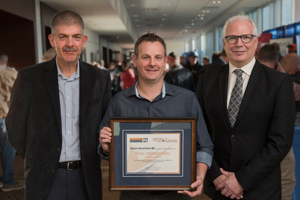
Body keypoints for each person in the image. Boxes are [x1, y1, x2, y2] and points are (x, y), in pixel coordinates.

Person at [6, 10, 111, 200]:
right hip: (43, 177)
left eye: (76, 37)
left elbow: (105, 124)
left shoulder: (100, 79)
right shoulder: (29, 78)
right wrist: (39, 157)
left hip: (86, 177)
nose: (70, 44)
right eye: (63, 37)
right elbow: (14, 128)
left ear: (84, 41)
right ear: (52, 40)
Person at [98, 32, 214, 200]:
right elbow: (104, 149)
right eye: (146, 57)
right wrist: (107, 147)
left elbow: (205, 146)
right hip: (133, 195)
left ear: (165, 61)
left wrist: (200, 176)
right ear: (135, 60)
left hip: (178, 195)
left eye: (158, 57)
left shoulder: (187, 100)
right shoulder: (118, 102)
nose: (152, 63)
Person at [196, 15, 295, 200]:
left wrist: (241, 180)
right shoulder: (207, 80)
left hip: (261, 189)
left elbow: (280, 141)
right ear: (224, 43)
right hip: (218, 189)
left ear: (256, 41)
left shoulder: (278, 83)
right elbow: (200, 133)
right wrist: (215, 175)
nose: (238, 43)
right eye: (232, 38)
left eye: (246, 37)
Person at [257, 44, 297, 200]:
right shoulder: (281, 81)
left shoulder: (249, 77)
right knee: (286, 177)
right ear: (277, 61)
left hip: (253, 139)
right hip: (278, 139)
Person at [0, 52, 23, 192]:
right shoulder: (11, 74)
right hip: (6, 116)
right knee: (8, 150)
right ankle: (8, 180)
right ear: (5, 61)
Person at [281, 53, 300, 126]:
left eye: (284, 62)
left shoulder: (296, 78)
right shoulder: (288, 77)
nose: (282, 64)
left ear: (293, 64)